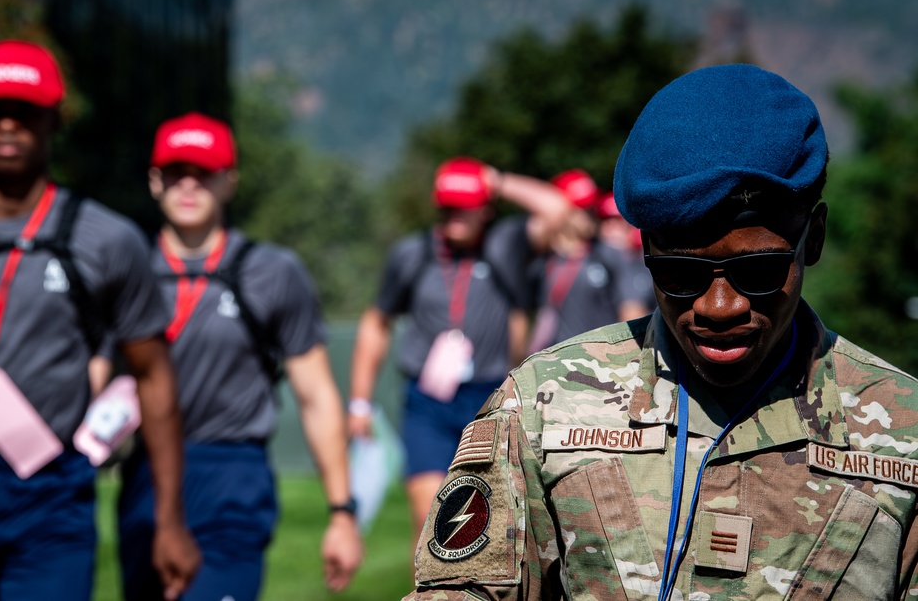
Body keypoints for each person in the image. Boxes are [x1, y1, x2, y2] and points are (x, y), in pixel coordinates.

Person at [403, 64, 918, 600]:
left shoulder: (904, 434)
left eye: (759, 272)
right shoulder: (544, 409)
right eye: (681, 274)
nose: (721, 307)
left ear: (814, 238)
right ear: (645, 253)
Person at [0, 40, 200, 600]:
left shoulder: (109, 240)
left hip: (51, 492)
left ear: (53, 122)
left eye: (24, 112)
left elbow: (154, 377)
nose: (7, 125)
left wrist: (169, 518)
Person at [117, 112, 363, 600]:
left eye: (203, 172)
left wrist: (342, 512)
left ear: (229, 182)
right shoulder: (125, 266)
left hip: (232, 474)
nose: (188, 184)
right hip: (145, 476)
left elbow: (315, 397)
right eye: (174, 171)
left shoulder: (273, 272)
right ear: (153, 180)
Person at [348, 156, 570, 539]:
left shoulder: (507, 246)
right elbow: (375, 322)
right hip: (427, 400)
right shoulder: (412, 253)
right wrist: (360, 402)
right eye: (447, 207)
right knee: (429, 515)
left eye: (464, 208)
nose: (454, 216)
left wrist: (496, 180)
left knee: (487, 521)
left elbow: (558, 208)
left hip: (488, 399)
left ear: (485, 209)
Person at [526, 169, 650, 355]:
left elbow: (632, 312)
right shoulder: (543, 258)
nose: (590, 213)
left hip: (597, 366)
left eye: (590, 206)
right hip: (551, 365)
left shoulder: (609, 254)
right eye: (580, 208)